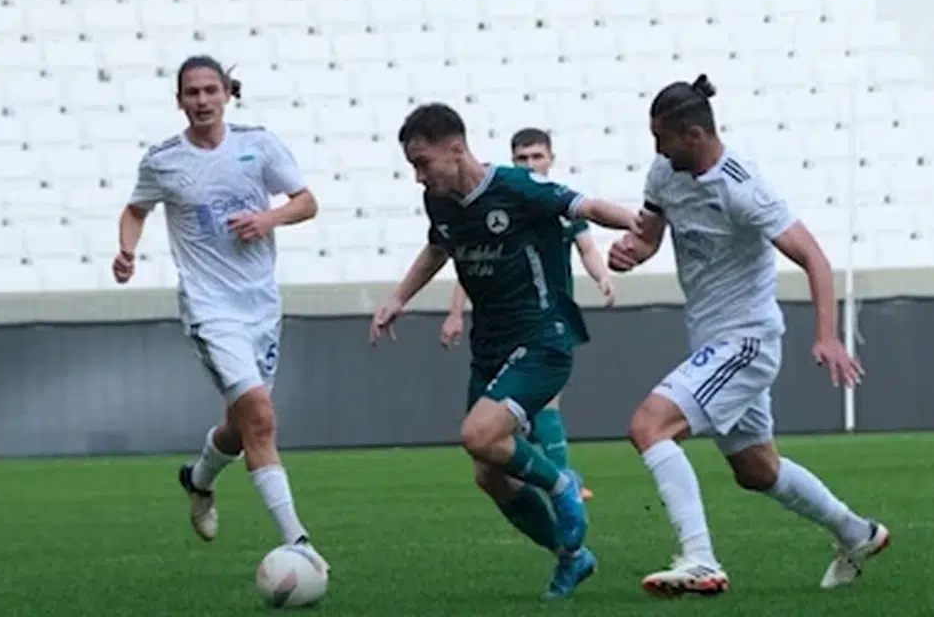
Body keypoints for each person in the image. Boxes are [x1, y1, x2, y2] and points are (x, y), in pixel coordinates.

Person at [608, 75, 888, 597]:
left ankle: (700, 559)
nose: (657, 150)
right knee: (757, 470)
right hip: (711, 341)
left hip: (746, 342)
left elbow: (814, 257)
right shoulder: (665, 173)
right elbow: (649, 235)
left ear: (694, 134)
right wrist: (632, 253)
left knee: (650, 426)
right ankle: (858, 533)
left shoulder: (743, 187)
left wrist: (827, 336)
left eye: (662, 139)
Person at [369, 103, 638, 600]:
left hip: (542, 336)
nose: (418, 177)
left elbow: (588, 208)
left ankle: (562, 485)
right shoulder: (439, 201)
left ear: (456, 148)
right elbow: (438, 248)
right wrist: (398, 298)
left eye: (423, 163)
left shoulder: (516, 187)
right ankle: (571, 556)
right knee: (488, 474)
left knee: (477, 434)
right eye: (413, 166)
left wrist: (644, 226)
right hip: (490, 345)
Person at [112, 55, 328, 573]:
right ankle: (298, 541)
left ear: (227, 94)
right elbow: (136, 209)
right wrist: (127, 251)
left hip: (261, 305)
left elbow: (306, 202)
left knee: (241, 425)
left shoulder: (259, 145)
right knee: (261, 417)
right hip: (210, 307)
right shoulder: (163, 160)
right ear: (179, 100)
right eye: (192, 92)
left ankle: (198, 479)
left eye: (211, 90)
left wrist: (268, 218)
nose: (202, 100)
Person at [441, 128, 615, 502]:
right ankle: (556, 480)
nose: (530, 164)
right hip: (501, 322)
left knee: (547, 403)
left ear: (551, 159)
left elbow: (586, 247)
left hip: (548, 318)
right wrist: (455, 312)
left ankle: (561, 482)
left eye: (537, 157)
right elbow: (471, 264)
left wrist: (601, 276)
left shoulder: (557, 205)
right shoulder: (505, 201)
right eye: (522, 158)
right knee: (510, 422)